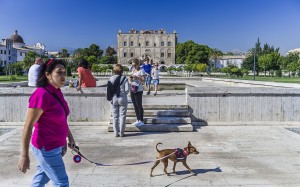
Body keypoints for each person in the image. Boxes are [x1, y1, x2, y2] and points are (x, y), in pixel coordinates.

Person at [17, 58, 76, 187]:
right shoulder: (41, 95)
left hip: (56, 145)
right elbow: (28, 126)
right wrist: (24, 155)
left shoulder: (56, 92)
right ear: (48, 75)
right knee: (61, 182)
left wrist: (69, 138)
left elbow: (61, 120)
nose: (63, 76)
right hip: (46, 147)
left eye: (65, 72)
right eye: (59, 72)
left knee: (41, 178)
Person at [108, 64, 129, 137]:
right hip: (122, 98)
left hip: (114, 98)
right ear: (121, 70)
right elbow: (127, 89)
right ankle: (122, 133)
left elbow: (108, 90)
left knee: (115, 116)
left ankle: (116, 133)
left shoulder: (111, 78)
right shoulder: (124, 78)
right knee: (122, 116)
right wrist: (124, 93)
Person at [129, 58, 145, 126]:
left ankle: (141, 120)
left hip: (139, 89)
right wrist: (131, 79)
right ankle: (138, 119)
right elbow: (130, 78)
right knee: (135, 105)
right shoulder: (133, 70)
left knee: (139, 105)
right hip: (133, 88)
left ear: (138, 64)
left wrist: (137, 77)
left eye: (135, 65)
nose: (134, 66)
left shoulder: (142, 70)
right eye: (133, 65)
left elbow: (143, 80)